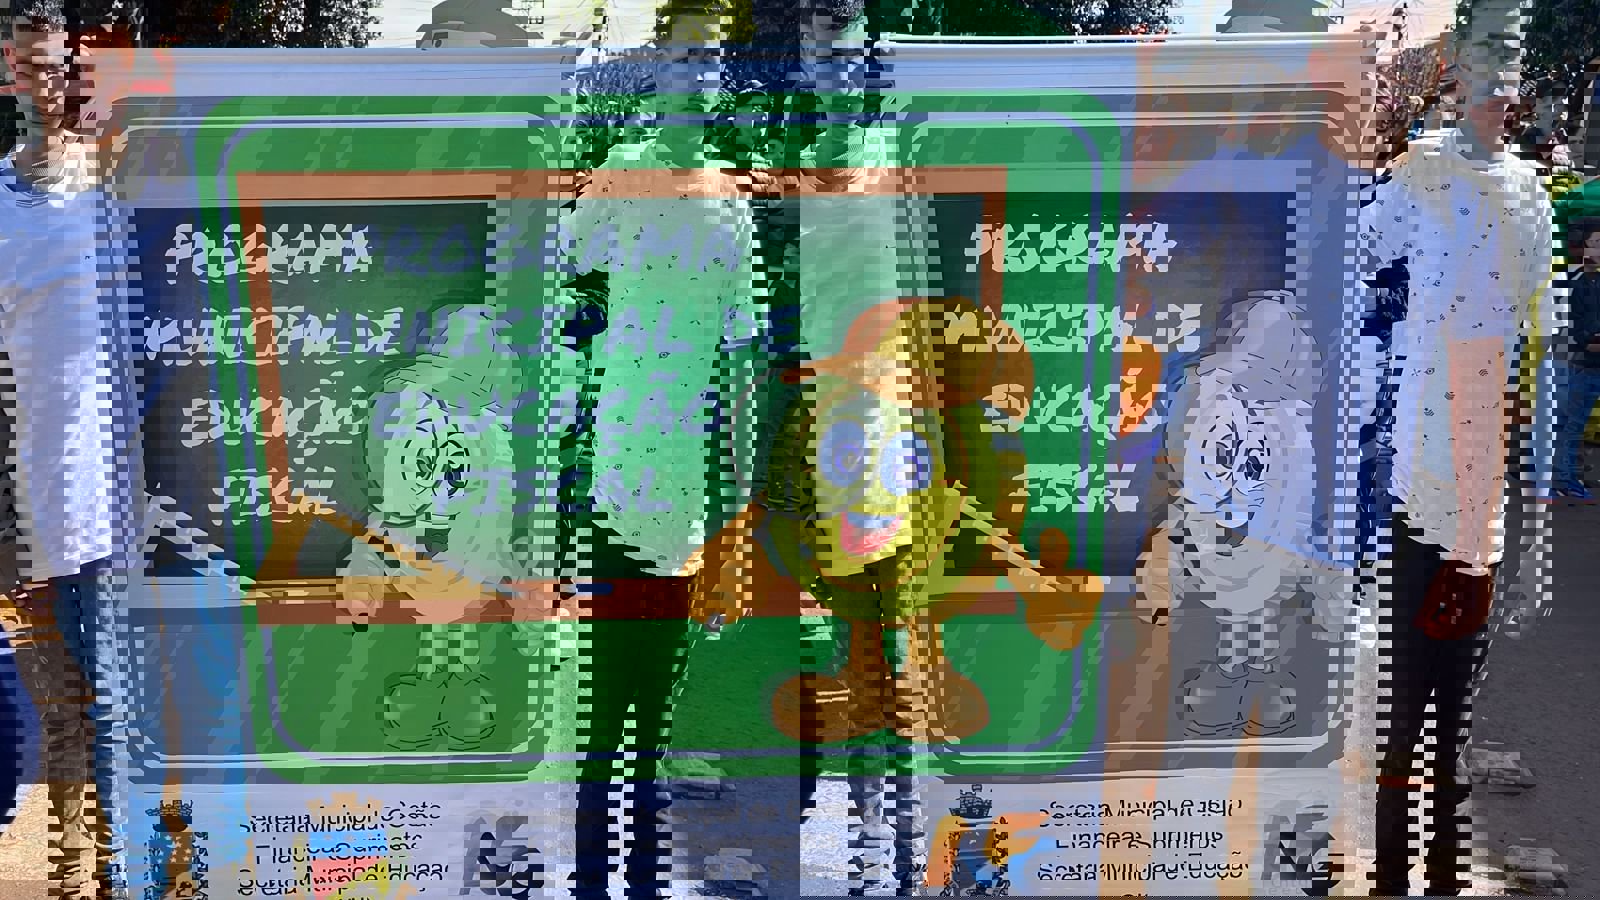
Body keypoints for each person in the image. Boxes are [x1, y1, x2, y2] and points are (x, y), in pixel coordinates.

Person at [1356, 0, 1553, 893]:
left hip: (1483, 470)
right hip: (1416, 461)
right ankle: (1391, 874)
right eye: (1479, 72)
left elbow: (1536, 327)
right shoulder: (1421, 170)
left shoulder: (1531, 192)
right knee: (1406, 696)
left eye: (1506, 76)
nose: (1493, 91)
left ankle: (1442, 869)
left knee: (1457, 701)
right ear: (1457, 81)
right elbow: (1361, 253)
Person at [560, 12, 757, 896]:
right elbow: (562, 275)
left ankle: (642, 880)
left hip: (686, 496)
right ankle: (591, 880)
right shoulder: (622, 173)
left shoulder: (731, 201)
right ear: (658, 67)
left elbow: (741, 359)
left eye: (709, 60)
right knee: (604, 708)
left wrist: (738, 505)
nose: (696, 74)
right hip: (613, 479)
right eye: (682, 56)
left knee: (657, 715)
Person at [0, 2, 135, 896]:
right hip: (27, 510)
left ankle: (117, 874)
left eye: (58, 67)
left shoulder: (118, 190)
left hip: (116, 504)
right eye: (30, 67)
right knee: (60, 720)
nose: (45, 85)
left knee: (116, 713)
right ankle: (65, 877)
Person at [1553, 221, 1600, 497]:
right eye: (1596, 243)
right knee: (1572, 423)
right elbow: (1572, 323)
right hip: (1582, 362)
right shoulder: (1575, 282)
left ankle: (1569, 477)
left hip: (1588, 360)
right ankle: (1564, 479)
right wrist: (1588, 341)